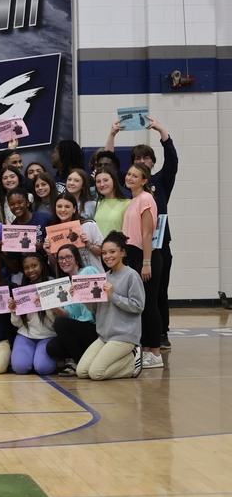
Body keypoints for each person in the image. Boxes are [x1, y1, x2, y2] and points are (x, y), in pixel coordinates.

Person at [108, 116, 178, 348]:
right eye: (137, 158)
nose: (141, 161)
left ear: (151, 163)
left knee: (158, 294)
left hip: (156, 248)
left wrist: (161, 130)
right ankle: (144, 340)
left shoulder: (157, 184)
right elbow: (109, 167)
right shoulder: (130, 190)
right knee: (141, 298)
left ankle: (160, 336)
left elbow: (173, 161)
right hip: (135, 251)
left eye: (145, 157)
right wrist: (113, 135)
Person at [76, 231, 146, 380]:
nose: (107, 256)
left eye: (112, 252)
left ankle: (132, 361)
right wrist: (82, 297)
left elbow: (138, 306)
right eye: (104, 253)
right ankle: (124, 360)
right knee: (82, 371)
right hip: (104, 335)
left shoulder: (131, 276)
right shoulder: (104, 277)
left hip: (124, 336)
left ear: (122, 252)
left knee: (96, 373)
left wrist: (113, 296)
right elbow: (96, 309)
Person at [122, 162, 163, 369]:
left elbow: (147, 234)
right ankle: (146, 349)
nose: (129, 178)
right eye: (128, 174)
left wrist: (146, 263)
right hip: (134, 256)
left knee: (150, 305)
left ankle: (155, 351)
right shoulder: (134, 200)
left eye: (135, 176)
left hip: (146, 257)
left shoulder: (146, 199)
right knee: (142, 305)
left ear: (144, 180)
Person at [45, 244, 100, 376]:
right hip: (80, 329)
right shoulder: (66, 284)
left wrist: (81, 292)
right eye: (60, 258)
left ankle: (80, 363)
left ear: (76, 258)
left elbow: (100, 298)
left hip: (95, 327)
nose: (64, 261)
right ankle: (84, 360)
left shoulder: (88, 271)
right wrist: (50, 305)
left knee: (60, 323)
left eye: (68, 257)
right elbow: (69, 315)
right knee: (52, 348)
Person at [8, 253, 56, 375]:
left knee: (42, 368)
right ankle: (31, 358)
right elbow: (17, 324)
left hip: (48, 335)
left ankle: (37, 358)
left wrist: (46, 305)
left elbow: (58, 321)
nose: (30, 270)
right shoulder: (21, 289)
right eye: (26, 268)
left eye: (34, 266)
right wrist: (14, 312)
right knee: (20, 367)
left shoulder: (52, 285)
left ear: (42, 266)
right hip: (26, 335)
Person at [51, 192, 103, 272]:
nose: (63, 210)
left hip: (93, 277)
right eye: (59, 206)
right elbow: (54, 265)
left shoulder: (89, 225)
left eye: (67, 207)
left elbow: (102, 252)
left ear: (74, 209)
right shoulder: (53, 233)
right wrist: (49, 253)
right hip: (69, 280)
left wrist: (89, 245)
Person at [93, 168, 129, 242]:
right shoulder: (97, 204)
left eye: (105, 180)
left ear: (114, 181)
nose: (102, 184)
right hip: (99, 251)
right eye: (98, 181)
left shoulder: (128, 204)